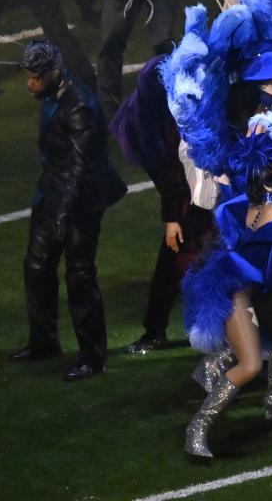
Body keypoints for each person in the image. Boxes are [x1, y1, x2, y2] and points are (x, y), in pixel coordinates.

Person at [182, 134, 272, 458]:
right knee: (250, 364)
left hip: (249, 288)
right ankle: (197, 428)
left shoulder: (255, 205)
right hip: (238, 292)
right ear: (266, 184)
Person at [10, 40, 127, 381]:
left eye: (34, 77)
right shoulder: (54, 94)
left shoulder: (79, 108)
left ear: (51, 74)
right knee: (36, 265)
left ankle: (93, 356)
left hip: (82, 200)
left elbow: (80, 171)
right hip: (54, 191)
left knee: (79, 274)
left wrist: (61, 216)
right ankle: (43, 341)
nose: (29, 84)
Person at [109, 57, 219, 354]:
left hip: (218, 203)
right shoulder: (174, 122)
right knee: (173, 260)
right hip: (192, 201)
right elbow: (168, 168)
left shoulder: (215, 113)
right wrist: (172, 216)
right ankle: (157, 329)